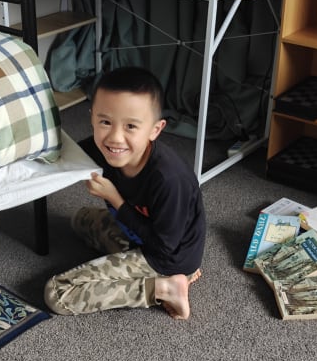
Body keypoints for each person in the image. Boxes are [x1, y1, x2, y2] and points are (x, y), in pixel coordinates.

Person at [43, 66, 206, 320]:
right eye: (105, 122)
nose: (115, 138)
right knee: (80, 220)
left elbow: (162, 247)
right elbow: (67, 152)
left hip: (166, 256)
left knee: (57, 294)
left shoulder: (169, 180)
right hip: (142, 235)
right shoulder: (104, 147)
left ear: (155, 129)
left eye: (131, 126)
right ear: (92, 117)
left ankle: (164, 287)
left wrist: (115, 199)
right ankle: (173, 275)